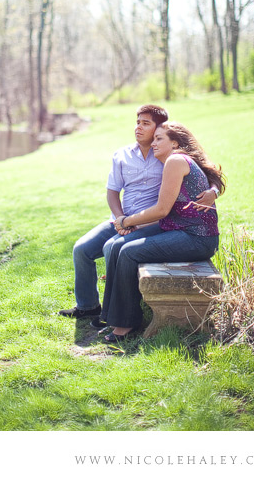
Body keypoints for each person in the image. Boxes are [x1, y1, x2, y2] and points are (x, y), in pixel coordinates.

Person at [58, 104, 218, 322]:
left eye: (145, 123)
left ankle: (117, 312)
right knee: (82, 249)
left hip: (152, 222)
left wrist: (213, 192)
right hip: (122, 218)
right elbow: (112, 192)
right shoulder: (122, 155)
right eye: (137, 122)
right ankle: (88, 306)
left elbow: (205, 174)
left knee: (113, 248)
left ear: (159, 128)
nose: (138, 128)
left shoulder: (166, 154)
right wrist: (120, 219)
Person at [98, 121, 225, 343]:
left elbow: (161, 210)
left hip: (197, 237)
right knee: (117, 245)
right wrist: (131, 224)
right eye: (154, 138)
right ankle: (112, 317)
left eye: (159, 139)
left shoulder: (175, 161)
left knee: (128, 252)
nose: (153, 143)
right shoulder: (174, 161)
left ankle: (126, 323)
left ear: (174, 143)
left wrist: (126, 221)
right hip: (176, 227)